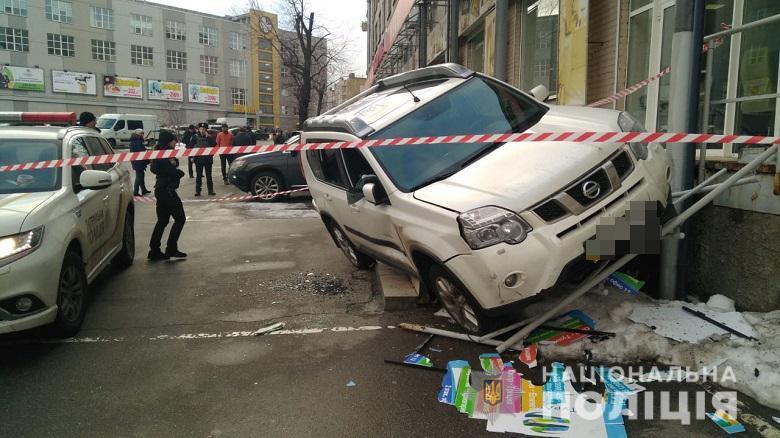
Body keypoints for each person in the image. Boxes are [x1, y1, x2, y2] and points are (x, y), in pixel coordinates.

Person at [148, 130, 187, 261]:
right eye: (173, 140)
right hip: (165, 190)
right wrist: (178, 173)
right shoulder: (162, 154)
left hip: (164, 190)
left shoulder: (167, 153)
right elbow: (166, 170)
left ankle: (154, 250)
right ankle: (170, 248)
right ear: (167, 141)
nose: (175, 142)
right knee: (180, 218)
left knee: (163, 220)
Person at [188, 122, 216, 196]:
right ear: (199, 129)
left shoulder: (209, 137)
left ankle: (210, 190)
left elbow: (214, 145)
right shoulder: (195, 137)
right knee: (199, 176)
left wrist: (208, 137)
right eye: (201, 129)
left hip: (208, 159)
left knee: (209, 176)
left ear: (206, 130)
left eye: (204, 129)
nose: (202, 130)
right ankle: (198, 191)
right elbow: (190, 147)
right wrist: (191, 157)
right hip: (198, 159)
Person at [129, 129, 151, 196]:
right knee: (139, 176)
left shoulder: (136, 141)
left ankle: (143, 190)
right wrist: (146, 150)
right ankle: (135, 192)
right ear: (138, 134)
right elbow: (141, 151)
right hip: (138, 161)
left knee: (141, 175)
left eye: (143, 133)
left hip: (138, 161)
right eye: (141, 133)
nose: (142, 135)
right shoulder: (137, 141)